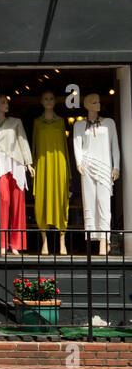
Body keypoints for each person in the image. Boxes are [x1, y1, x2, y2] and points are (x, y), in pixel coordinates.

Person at [73, 93, 120, 255]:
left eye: (99, 101)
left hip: (104, 166)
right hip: (87, 166)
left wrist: (116, 166)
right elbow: (77, 145)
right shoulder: (79, 125)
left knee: (103, 203)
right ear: (86, 105)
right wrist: (79, 163)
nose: (98, 104)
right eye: (94, 102)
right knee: (89, 204)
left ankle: (104, 240)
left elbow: (115, 145)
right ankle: (92, 240)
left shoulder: (109, 123)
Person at [32, 90, 70, 254]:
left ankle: (62, 241)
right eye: (46, 98)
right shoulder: (37, 122)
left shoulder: (61, 121)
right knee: (42, 201)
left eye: (51, 98)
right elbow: (34, 145)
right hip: (42, 163)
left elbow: (65, 147)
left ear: (55, 101)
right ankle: (44, 241)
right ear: (41, 101)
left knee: (60, 201)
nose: (48, 101)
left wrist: (68, 171)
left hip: (59, 163)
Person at [0, 93, 32, 254]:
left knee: (18, 203)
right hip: (0, 164)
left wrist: (28, 163)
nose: (7, 104)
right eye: (3, 102)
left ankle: (16, 244)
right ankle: (3, 242)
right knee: (4, 201)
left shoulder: (15, 122)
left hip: (16, 163)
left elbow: (22, 141)